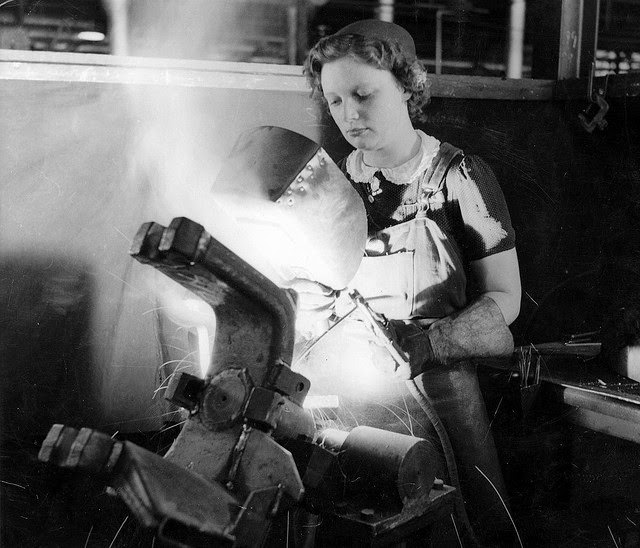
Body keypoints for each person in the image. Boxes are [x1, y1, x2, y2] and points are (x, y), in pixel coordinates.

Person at [301, 19, 522, 546]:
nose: (349, 114)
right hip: (359, 390)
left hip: (441, 387)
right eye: (334, 100)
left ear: (407, 85)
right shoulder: (332, 183)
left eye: (363, 94)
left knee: (470, 519)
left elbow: (506, 299)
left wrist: (428, 344)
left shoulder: (457, 177)